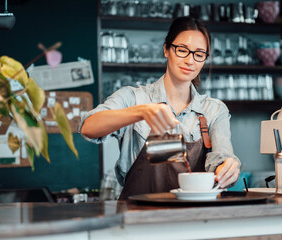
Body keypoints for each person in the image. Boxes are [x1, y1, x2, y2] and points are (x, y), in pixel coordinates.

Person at [79, 16, 241, 200]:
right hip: (140, 217)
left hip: (195, 219)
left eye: (199, 54)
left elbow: (222, 157)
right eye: (182, 50)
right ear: (166, 49)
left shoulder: (214, 110)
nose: (190, 60)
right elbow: (88, 127)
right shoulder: (133, 97)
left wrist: (228, 168)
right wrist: (141, 112)